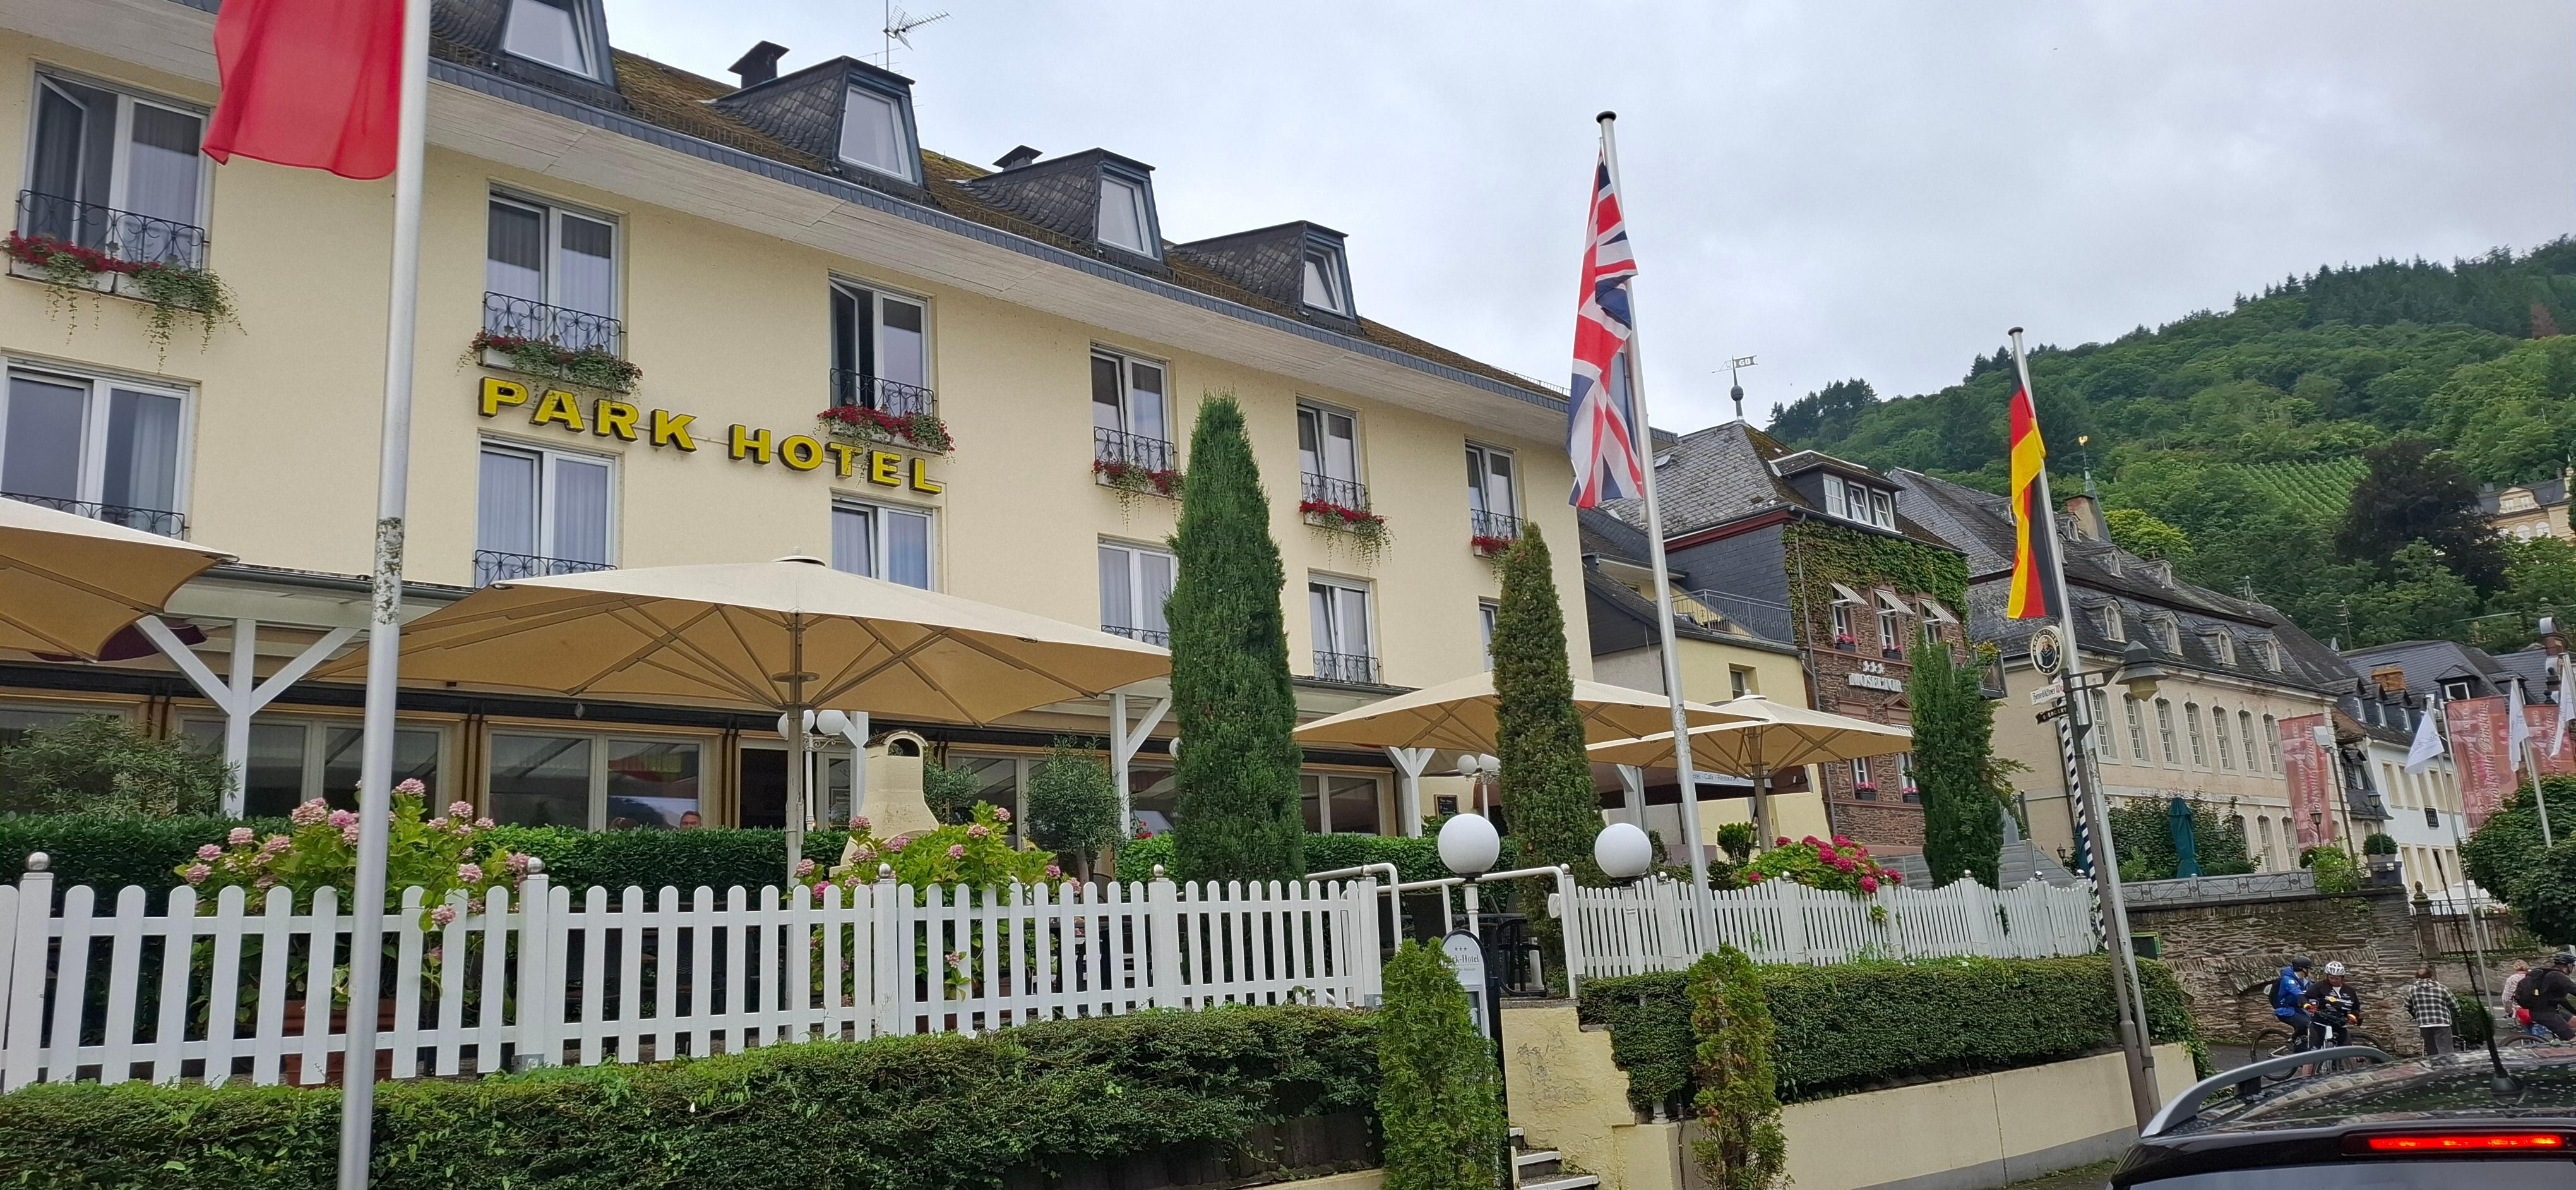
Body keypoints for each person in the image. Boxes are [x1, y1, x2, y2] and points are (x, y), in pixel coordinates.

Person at [2515, 953, 2576, 1041]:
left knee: (2574, 1021)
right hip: (2546, 1014)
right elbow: (2574, 990)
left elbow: (2561, 1000)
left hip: (2543, 1011)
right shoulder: (2557, 976)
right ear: (2569, 965)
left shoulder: (2548, 973)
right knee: (2572, 1038)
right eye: (2573, 965)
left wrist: (2574, 1011)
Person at [2404, 966, 2455, 1056]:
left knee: (2432, 1051)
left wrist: (2415, 1015)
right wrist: (2458, 1014)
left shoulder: (2411, 990)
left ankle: (2435, 1064)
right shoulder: (2442, 988)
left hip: (2425, 1024)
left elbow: (2408, 1006)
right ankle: (2448, 1064)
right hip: (2442, 1023)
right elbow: (2453, 1004)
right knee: (2446, 1050)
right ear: (2431, 976)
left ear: (2417, 977)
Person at [2311, 961, 2362, 1050]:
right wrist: (2311, 1006)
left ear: (2342, 978)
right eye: (2331, 978)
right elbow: (2308, 997)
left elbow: (2356, 1008)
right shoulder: (2319, 987)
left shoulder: (2350, 991)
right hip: (2320, 1024)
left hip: (2340, 1024)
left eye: (2337, 978)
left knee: (2348, 1051)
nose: (2334, 980)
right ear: (2327, 976)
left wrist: (2353, 1016)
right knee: (2313, 1052)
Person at [2272, 957, 2317, 1050]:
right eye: (2308, 968)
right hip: (2285, 1010)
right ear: (2303, 969)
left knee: (2315, 1023)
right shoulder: (2288, 979)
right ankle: (2292, 1041)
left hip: (2298, 1009)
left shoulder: (2305, 981)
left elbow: (2314, 991)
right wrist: (2301, 997)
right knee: (2307, 1024)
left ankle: (2302, 1048)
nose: (2309, 971)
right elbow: (2294, 989)